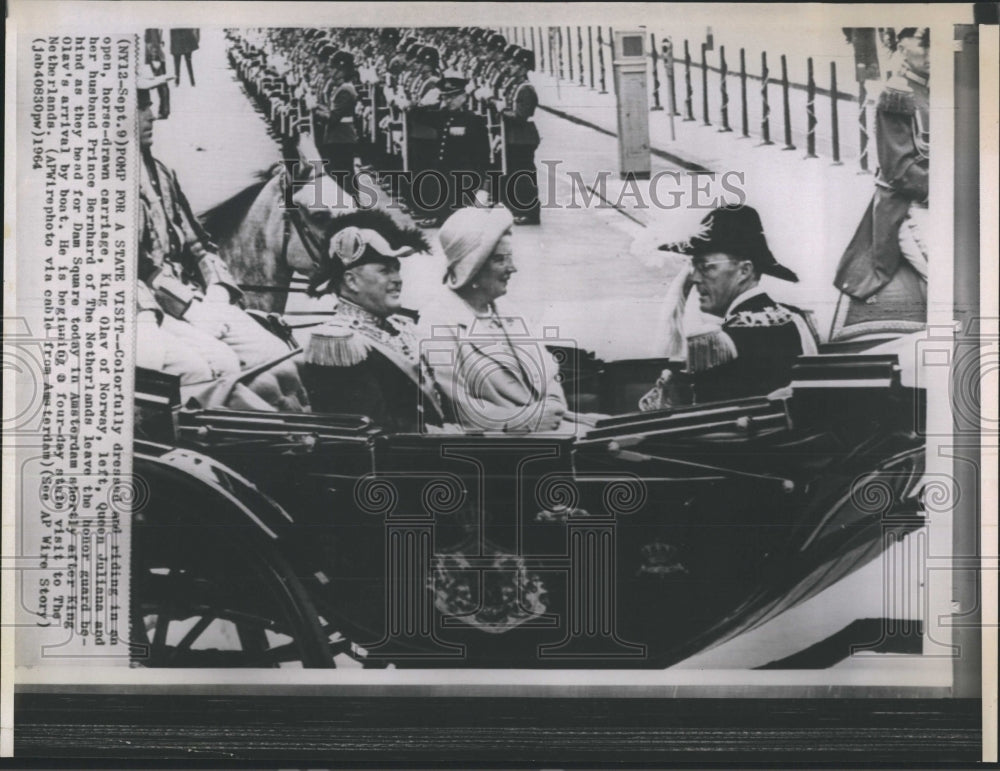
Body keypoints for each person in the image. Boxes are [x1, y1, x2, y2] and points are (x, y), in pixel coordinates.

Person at [136, 66, 305, 406]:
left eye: (149, 103)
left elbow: (199, 242)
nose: (151, 114)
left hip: (199, 299)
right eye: (140, 105)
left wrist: (217, 290)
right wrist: (189, 307)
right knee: (219, 364)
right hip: (157, 306)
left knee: (277, 353)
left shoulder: (162, 171)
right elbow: (136, 267)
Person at [641, 204, 819, 408]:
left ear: (744, 271)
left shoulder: (717, 343)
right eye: (695, 268)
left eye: (706, 267)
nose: (695, 278)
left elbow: (709, 425)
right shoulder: (795, 319)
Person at [418, 206, 567, 432]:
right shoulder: (437, 321)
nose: (512, 268)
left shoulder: (510, 312)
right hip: (498, 444)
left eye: (510, 258)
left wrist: (554, 408)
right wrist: (528, 420)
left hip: (551, 429)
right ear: (472, 269)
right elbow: (460, 408)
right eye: (500, 260)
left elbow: (548, 376)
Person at [300, 211, 445, 431]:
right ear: (352, 281)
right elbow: (373, 435)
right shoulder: (339, 343)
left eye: (396, 269)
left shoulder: (401, 326)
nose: (397, 279)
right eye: (385, 270)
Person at [833, 27, 929, 336]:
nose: (931, 52)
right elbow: (900, 171)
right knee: (953, 275)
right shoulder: (897, 94)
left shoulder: (940, 89)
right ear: (901, 45)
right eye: (923, 43)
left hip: (949, 200)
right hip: (911, 206)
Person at [493, 47, 540, 225]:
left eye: (514, 64)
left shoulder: (526, 89)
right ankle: (516, 208)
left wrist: (502, 110)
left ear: (523, 68)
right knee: (512, 173)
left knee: (523, 175)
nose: (510, 67)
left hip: (522, 137)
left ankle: (528, 211)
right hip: (512, 136)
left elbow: (520, 115)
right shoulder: (515, 86)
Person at [315, 49, 360, 203]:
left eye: (334, 68)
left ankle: (353, 205)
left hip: (342, 137)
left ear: (342, 70)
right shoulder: (341, 88)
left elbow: (333, 117)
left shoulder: (346, 90)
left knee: (344, 175)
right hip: (338, 136)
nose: (331, 71)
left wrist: (314, 109)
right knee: (340, 173)